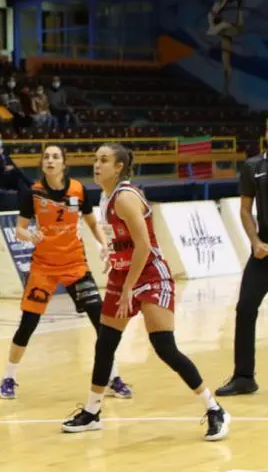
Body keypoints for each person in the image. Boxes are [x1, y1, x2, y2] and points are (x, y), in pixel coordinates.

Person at [62, 143, 230, 441]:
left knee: (164, 347)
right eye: (95, 159)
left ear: (119, 167)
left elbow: (144, 246)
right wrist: (113, 255)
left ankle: (215, 409)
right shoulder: (106, 197)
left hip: (150, 275)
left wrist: (129, 287)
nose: (96, 165)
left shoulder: (125, 197)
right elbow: (123, 239)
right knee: (105, 344)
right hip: (123, 274)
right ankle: (92, 411)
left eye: (104, 160)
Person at [0, 144, 131, 400]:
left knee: (101, 322)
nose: (50, 160)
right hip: (43, 268)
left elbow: (92, 223)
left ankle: (113, 377)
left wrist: (106, 245)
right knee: (27, 325)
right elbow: (20, 230)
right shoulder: (33, 192)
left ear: (63, 163)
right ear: (42, 163)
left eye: (55, 157)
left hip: (75, 266)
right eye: (46, 157)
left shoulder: (78, 190)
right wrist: (30, 235)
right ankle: (8, 377)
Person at [216, 121, 268, 396]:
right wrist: (255, 241)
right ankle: (244, 377)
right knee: (245, 309)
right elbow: (245, 209)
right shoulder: (253, 166)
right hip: (263, 252)